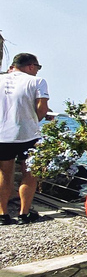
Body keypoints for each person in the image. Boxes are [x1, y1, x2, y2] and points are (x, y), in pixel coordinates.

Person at [0, 53, 50, 225]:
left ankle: (3, 215)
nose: (37, 71)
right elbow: (42, 109)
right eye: (37, 67)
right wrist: (35, 119)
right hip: (27, 135)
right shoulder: (37, 81)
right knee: (29, 173)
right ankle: (24, 214)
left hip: (2, 136)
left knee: (4, 174)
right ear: (30, 66)